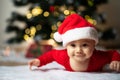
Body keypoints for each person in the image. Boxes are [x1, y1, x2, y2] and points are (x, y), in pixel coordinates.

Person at [28, 13, 120, 72]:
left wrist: (116, 60)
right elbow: (52, 54)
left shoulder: (98, 57)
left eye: (85, 45)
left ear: (93, 46)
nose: (78, 50)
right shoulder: (64, 56)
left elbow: (112, 53)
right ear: (66, 46)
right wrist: (39, 61)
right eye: (73, 45)